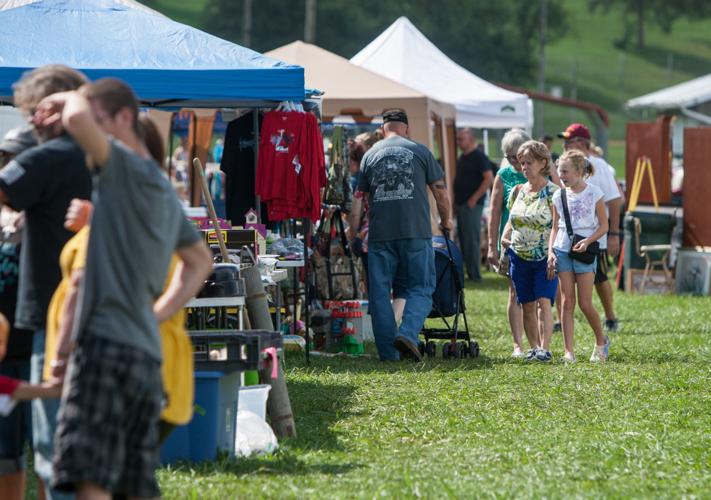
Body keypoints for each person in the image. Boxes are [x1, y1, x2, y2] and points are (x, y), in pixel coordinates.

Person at [33, 78, 212, 498]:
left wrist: (67, 94)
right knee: (133, 482)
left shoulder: (125, 167)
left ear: (124, 119)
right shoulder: (164, 193)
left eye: (100, 121)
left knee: (90, 475)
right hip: (145, 355)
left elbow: (76, 118)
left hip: (103, 349)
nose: (90, 132)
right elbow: (200, 261)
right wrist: (158, 314)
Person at [0, 64, 91, 500]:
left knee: (52, 443)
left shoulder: (50, 155)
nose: (29, 122)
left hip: (55, 315)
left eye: (33, 111)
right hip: (107, 312)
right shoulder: (109, 153)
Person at [357, 109, 451, 361]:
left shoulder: (369, 155)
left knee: (379, 293)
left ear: (382, 129)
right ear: (406, 128)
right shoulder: (420, 151)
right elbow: (440, 192)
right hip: (415, 232)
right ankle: (408, 333)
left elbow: (359, 200)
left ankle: (389, 354)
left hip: (380, 235)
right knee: (421, 287)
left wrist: (355, 230)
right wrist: (446, 221)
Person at [0, 125, 38, 500]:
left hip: (41, 350)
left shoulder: (52, 217)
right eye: (6, 160)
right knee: (4, 456)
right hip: (3, 355)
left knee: (47, 454)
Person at [558, 123, 621, 332]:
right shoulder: (563, 165)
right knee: (564, 279)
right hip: (567, 237)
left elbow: (613, 200)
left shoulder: (599, 165)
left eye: (570, 140)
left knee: (600, 278)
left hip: (596, 236)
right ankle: (561, 319)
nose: (565, 144)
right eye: (565, 141)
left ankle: (610, 316)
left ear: (582, 143)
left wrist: (613, 233)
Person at [548, 150, 610, 362]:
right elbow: (555, 227)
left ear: (579, 171)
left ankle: (601, 341)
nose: (561, 175)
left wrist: (589, 241)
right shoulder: (558, 195)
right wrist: (551, 252)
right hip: (563, 250)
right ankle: (568, 351)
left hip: (585, 251)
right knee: (566, 302)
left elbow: (604, 226)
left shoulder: (595, 193)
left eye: (565, 171)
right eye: (559, 171)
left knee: (585, 303)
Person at [500, 141, 559, 362]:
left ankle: (545, 348)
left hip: (545, 256)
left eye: (529, 162)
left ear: (543, 163)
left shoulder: (554, 193)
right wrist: (504, 236)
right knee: (526, 303)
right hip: (519, 255)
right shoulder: (517, 191)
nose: (524, 167)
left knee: (544, 301)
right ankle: (533, 348)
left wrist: (553, 253)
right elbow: (512, 219)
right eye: (521, 162)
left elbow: (558, 226)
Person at [487, 129, 530, 357]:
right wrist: (491, 246)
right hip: (511, 243)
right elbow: (494, 213)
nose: (514, 161)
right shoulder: (503, 175)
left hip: (538, 243)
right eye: (509, 156)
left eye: (517, 156)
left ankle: (539, 344)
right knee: (514, 292)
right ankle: (517, 345)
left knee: (538, 295)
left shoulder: (541, 174)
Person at [453, 128, 494, 282]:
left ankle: (475, 274)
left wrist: (474, 198)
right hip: (462, 204)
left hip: (472, 205)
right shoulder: (462, 157)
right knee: (464, 239)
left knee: (472, 240)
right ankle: (469, 272)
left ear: (470, 139)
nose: (458, 142)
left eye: (461, 139)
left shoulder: (479, 156)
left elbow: (488, 178)